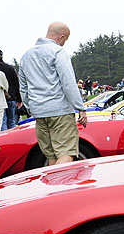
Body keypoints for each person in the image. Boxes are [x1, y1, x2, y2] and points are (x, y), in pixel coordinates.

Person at [18, 21, 87, 166]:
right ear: (61, 37)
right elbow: (68, 83)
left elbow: (23, 88)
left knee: (51, 156)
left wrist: (31, 108)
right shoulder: (58, 52)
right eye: (65, 40)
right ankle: (61, 187)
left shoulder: (26, 55)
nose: (64, 44)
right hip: (59, 110)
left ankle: (53, 188)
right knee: (66, 153)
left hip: (39, 112)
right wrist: (80, 107)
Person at [0, 48, 21, 130]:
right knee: (12, 121)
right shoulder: (10, 68)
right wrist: (19, 99)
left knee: (3, 121)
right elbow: (16, 84)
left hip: (0, 98)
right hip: (11, 97)